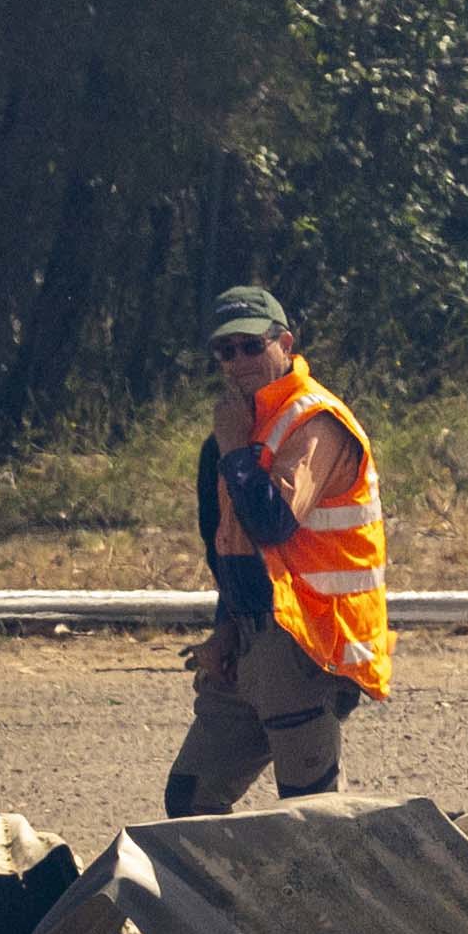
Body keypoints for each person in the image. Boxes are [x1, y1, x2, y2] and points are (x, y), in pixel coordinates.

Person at [168, 286, 393, 814]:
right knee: (190, 799)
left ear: (284, 342)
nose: (238, 361)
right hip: (251, 636)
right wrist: (225, 630)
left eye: (251, 345)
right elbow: (232, 550)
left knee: (309, 813)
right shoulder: (238, 431)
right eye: (226, 351)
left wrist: (233, 449)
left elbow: (272, 523)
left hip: (306, 642)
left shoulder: (314, 420)